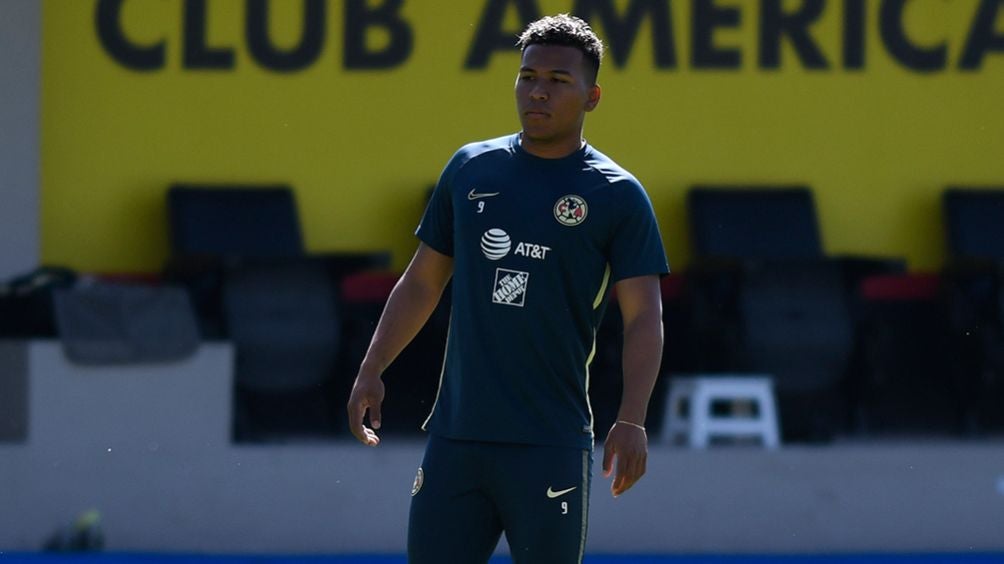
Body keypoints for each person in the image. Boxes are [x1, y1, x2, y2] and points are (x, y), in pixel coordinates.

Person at [347, 13, 668, 564]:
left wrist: (632, 417)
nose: (537, 91)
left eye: (558, 81)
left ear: (592, 97)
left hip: (549, 443)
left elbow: (643, 316)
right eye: (527, 76)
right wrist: (372, 367)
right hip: (457, 438)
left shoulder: (617, 195)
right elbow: (422, 280)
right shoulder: (471, 169)